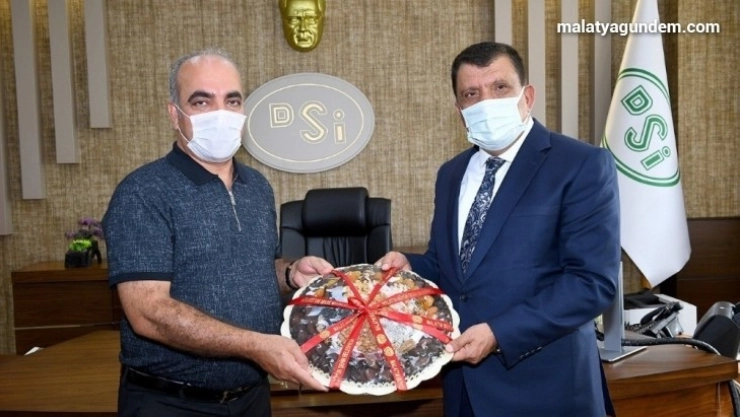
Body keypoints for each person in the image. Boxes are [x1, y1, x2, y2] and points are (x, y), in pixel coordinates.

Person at [377, 41, 621, 417]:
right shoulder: (451, 174)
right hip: (463, 387)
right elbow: (450, 267)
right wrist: (412, 267)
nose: (486, 102)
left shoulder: (580, 164)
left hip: (547, 390)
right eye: (471, 94)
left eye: (500, 87)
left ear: (528, 97)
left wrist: (499, 333)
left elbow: (591, 283)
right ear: (459, 111)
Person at [102, 49, 330, 417]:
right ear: (174, 114)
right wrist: (255, 346)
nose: (221, 113)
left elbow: (244, 269)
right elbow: (149, 313)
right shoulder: (142, 193)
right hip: (171, 403)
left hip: (252, 397)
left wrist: (289, 273)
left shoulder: (257, 187)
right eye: (202, 101)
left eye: (232, 100)